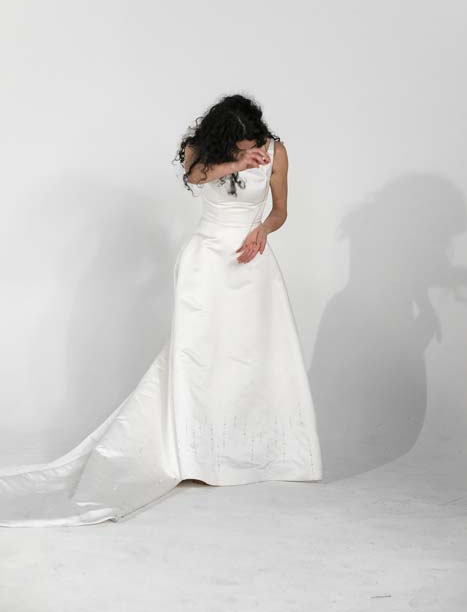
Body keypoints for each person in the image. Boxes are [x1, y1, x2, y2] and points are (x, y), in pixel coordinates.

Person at [0, 94, 322, 527]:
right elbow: (195, 176)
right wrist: (236, 162)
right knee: (201, 354)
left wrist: (263, 229)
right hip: (206, 263)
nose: (251, 148)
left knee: (257, 354)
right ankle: (196, 455)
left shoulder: (275, 151)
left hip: (253, 263)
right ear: (223, 137)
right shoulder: (199, 151)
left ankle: (258, 453)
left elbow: (280, 211)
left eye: (253, 141)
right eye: (240, 143)